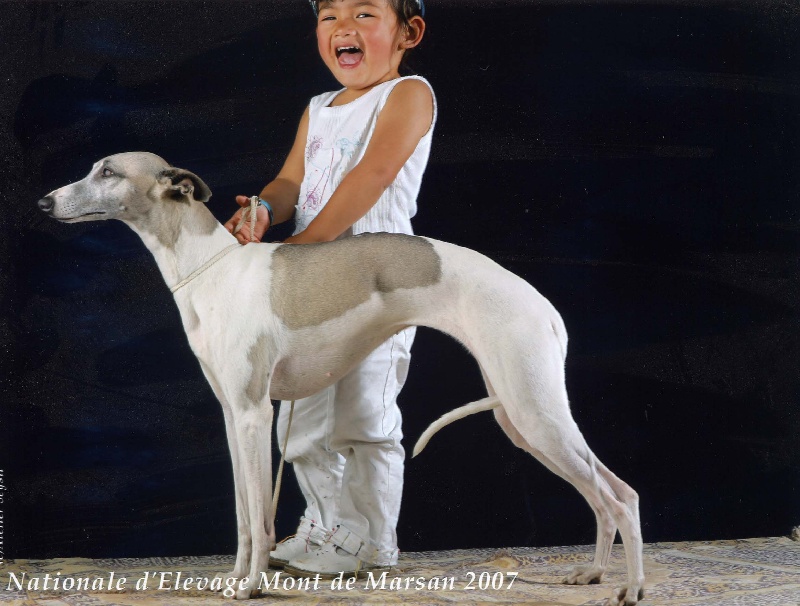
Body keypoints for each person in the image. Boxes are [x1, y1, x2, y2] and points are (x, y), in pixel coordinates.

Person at [222, 0, 435, 578]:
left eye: (365, 14)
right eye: (329, 16)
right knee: (303, 413)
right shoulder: (319, 108)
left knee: (364, 412)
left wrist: (305, 246)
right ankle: (325, 525)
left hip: (376, 282)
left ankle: (371, 541)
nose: (344, 27)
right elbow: (292, 180)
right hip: (312, 284)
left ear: (408, 31)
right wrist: (264, 209)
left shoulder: (409, 93)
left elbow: (373, 175)